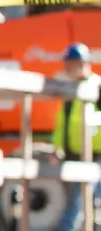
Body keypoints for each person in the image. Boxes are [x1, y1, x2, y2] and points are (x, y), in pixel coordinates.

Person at [51, 42, 97, 231]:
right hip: (73, 156)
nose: (67, 68)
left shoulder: (95, 86)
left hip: (94, 156)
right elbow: (63, 124)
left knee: (76, 207)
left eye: (71, 63)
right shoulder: (70, 90)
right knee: (81, 205)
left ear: (82, 63)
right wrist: (56, 148)